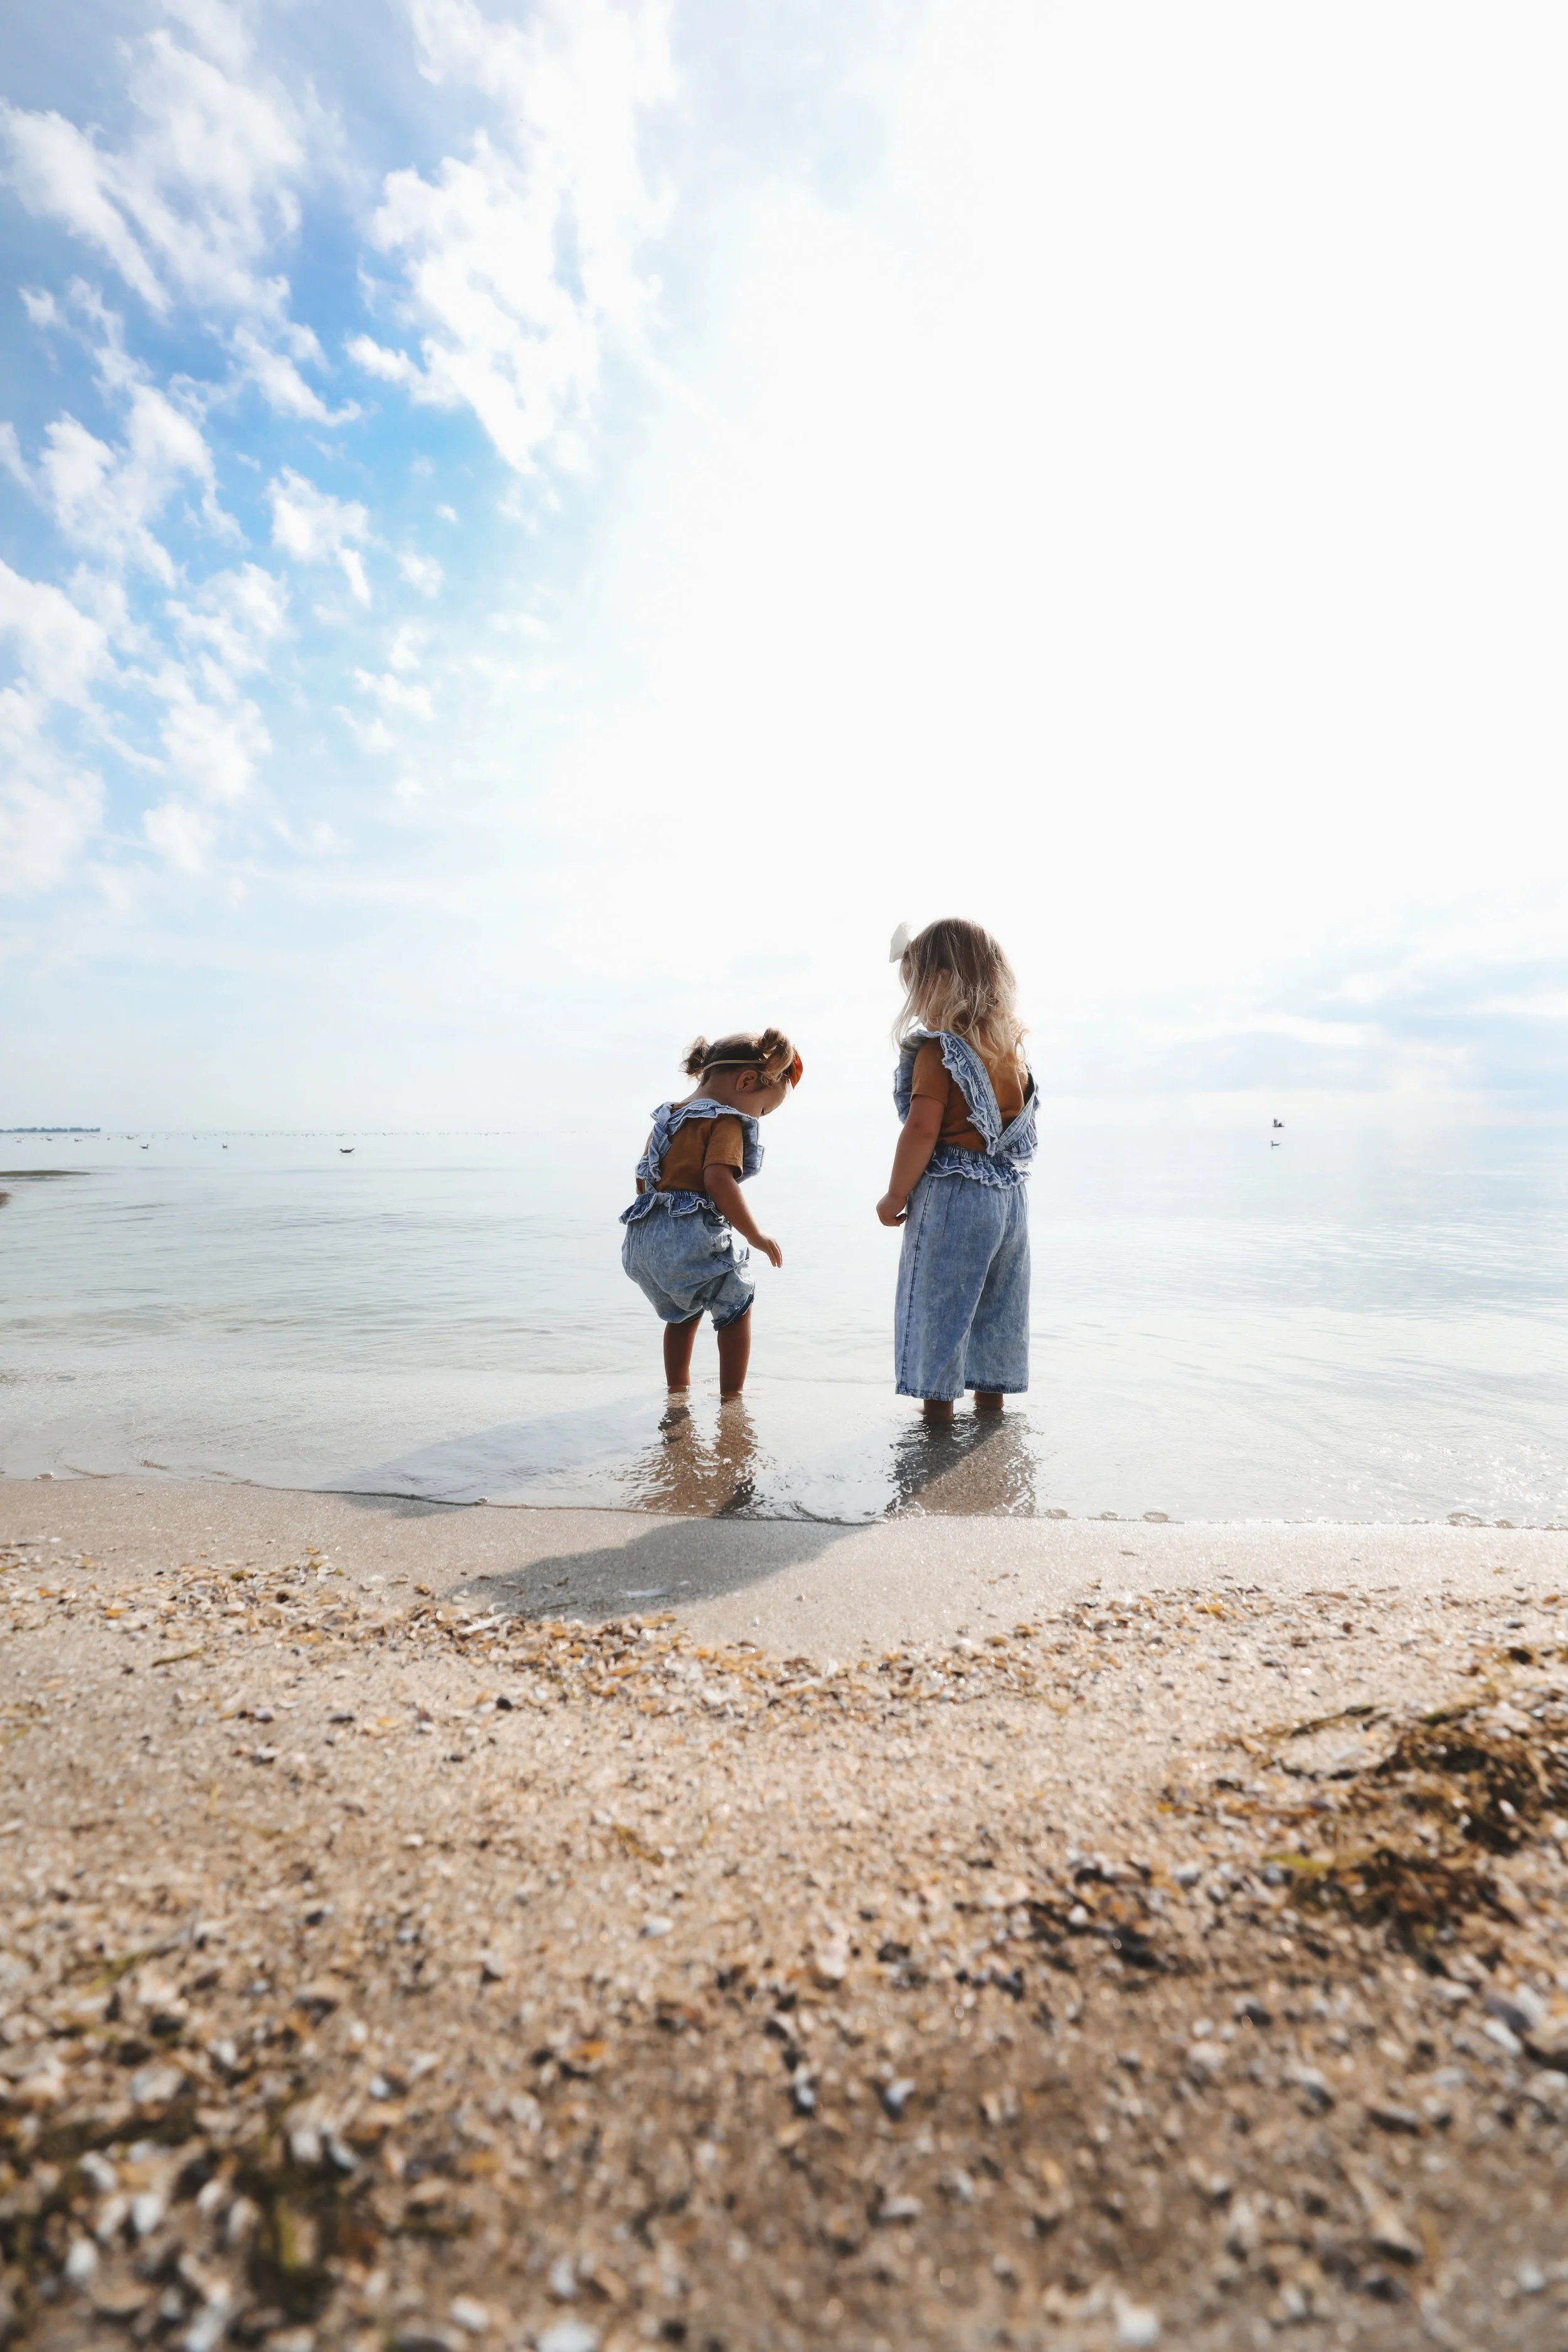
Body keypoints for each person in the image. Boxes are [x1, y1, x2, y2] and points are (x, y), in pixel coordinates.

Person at [876, 919, 1037, 1421]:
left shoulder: (937, 1051)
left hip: (954, 1196)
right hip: (1009, 1198)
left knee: (939, 1309)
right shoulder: (1010, 1051)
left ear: (941, 981)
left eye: (916, 987)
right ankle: (992, 1413)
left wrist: (895, 1196)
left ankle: (936, 1426)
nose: (916, 1003)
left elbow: (923, 1130)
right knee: (997, 1309)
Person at [621, 1028, 802, 1397]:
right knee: (738, 1299)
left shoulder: (666, 1119)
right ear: (747, 1081)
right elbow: (719, 1179)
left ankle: (677, 1389)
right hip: (689, 1237)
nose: (759, 1117)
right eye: (764, 1108)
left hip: (642, 1241)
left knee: (681, 1313)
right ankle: (732, 1395)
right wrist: (755, 1235)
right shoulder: (726, 1119)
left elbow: (643, 1179)